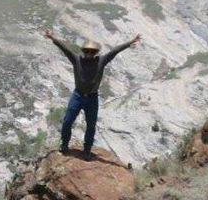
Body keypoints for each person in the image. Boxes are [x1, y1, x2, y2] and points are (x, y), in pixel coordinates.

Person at [43, 29, 141, 160]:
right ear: (83, 51)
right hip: (77, 96)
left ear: (96, 53)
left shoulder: (101, 61)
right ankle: (64, 145)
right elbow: (65, 49)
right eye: (87, 51)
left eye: (92, 51)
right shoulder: (76, 60)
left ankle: (87, 151)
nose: (89, 53)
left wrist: (130, 42)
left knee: (91, 125)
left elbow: (115, 51)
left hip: (92, 98)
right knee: (67, 121)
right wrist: (52, 38)